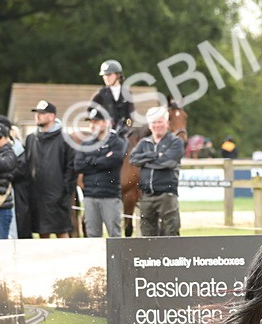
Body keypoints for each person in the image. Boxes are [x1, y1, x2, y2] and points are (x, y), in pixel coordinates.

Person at [24, 100, 76, 238]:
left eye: (42, 113)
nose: (38, 116)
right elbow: (27, 165)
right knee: (42, 232)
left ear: (52, 116)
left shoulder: (65, 139)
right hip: (38, 196)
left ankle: (66, 260)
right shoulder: (31, 139)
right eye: (37, 113)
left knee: (62, 231)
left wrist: (65, 191)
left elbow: (71, 167)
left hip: (58, 196)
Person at [129, 106, 184, 236]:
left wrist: (145, 161)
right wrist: (155, 156)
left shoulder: (175, 142)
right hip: (147, 196)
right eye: (154, 122)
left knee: (171, 233)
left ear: (167, 123)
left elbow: (169, 163)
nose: (157, 125)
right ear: (149, 125)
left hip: (167, 195)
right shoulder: (143, 143)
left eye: (160, 121)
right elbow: (133, 159)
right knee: (147, 235)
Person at [73, 108, 127, 237]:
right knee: (92, 236)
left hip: (110, 196)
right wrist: (101, 160)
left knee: (115, 235)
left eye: (96, 122)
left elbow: (113, 161)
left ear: (107, 123)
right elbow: (78, 165)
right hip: (90, 195)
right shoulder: (86, 143)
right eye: (91, 122)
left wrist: (90, 161)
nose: (92, 125)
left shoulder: (116, 142)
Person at [92, 59, 134, 135]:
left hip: (123, 131)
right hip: (105, 132)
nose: (106, 78)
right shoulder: (100, 94)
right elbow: (91, 113)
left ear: (118, 75)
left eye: (109, 75)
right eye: (104, 75)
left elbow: (130, 115)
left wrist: (127, 127)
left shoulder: (127, 93)